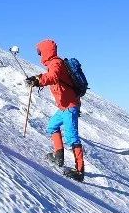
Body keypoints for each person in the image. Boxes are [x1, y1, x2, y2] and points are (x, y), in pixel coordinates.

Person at [26, 39, 85, 181]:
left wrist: (38, 81)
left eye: (40, 52)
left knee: (72, 138)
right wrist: (36, 78)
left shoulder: (56, 63)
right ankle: (59, 157)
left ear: (46, 51)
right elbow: (51, 75)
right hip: (63, 107)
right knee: (52, 126)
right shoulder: (53, 64)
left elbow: (53, 76)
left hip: (70, 107)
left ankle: (79, 172)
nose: (40, 55)